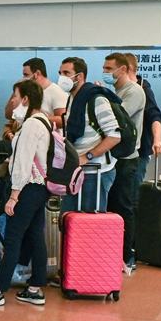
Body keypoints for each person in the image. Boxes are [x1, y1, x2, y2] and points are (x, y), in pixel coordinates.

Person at [0, 80, 52, 308]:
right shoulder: (43, 121)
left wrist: (14, 195)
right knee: (35, 236)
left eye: (15, 97)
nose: (13, 101)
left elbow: (24, 163)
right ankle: (35, 289)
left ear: (26, 99)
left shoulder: (31, 125)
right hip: (40, 187)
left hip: (28, 187)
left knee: (13, 236)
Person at [59, 57, 121, 212]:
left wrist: (87, 157)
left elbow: (115, 136)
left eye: (67, 73)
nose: (62, 77)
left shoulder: (96, 99)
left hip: (96, 171)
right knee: (68, 220)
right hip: (76, 171)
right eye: (60, 73)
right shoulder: (71, 100)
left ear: (79, 76)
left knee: (90, 225)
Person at [102, 53, 146, 274]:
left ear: (124, 69)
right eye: (105, 68)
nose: (106, 72)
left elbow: (117, 118)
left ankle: (127, 256)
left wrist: (103, 98)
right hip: (112, 158)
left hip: (126, 160)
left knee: (124, 207)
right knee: (111, 207)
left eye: (110, 68)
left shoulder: (134, 92)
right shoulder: (117, 92)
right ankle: (112, 253)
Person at [130, 54, 161, 188]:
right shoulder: (123, 90)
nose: (106, 72)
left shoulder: (143, 90)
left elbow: (155, 116)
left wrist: (157, 140)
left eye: (110, 69)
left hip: (139, 152)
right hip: (124, 153)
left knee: (132, 194)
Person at [12, 58, 68, 129]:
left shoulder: (57, 92)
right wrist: (17, 89)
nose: (23, 78)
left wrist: (34, 120)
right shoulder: (29, 92)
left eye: (26, 75)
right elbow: (9, 115)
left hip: (47, 137)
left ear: (37, 74)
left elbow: (63, 121)